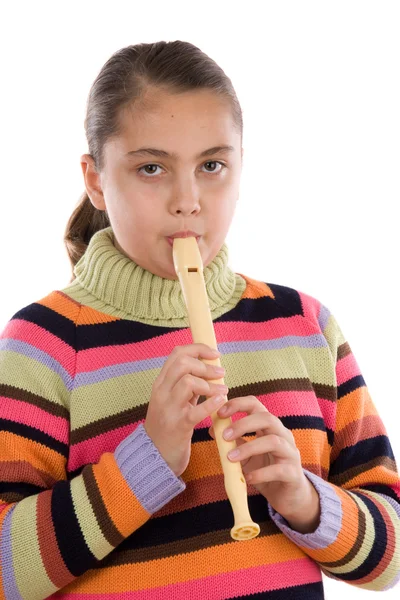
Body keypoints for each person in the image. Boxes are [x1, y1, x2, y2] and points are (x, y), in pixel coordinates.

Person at [0, 40, 399, 600]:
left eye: (211, 165)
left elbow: (390, 560)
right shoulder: (44, 344)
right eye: (151, 168)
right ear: (95, 179)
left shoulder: (303, 324)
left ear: (240, 166)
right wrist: (148, 460)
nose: (187, 200)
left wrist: (305, 501)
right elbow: (4, 572)